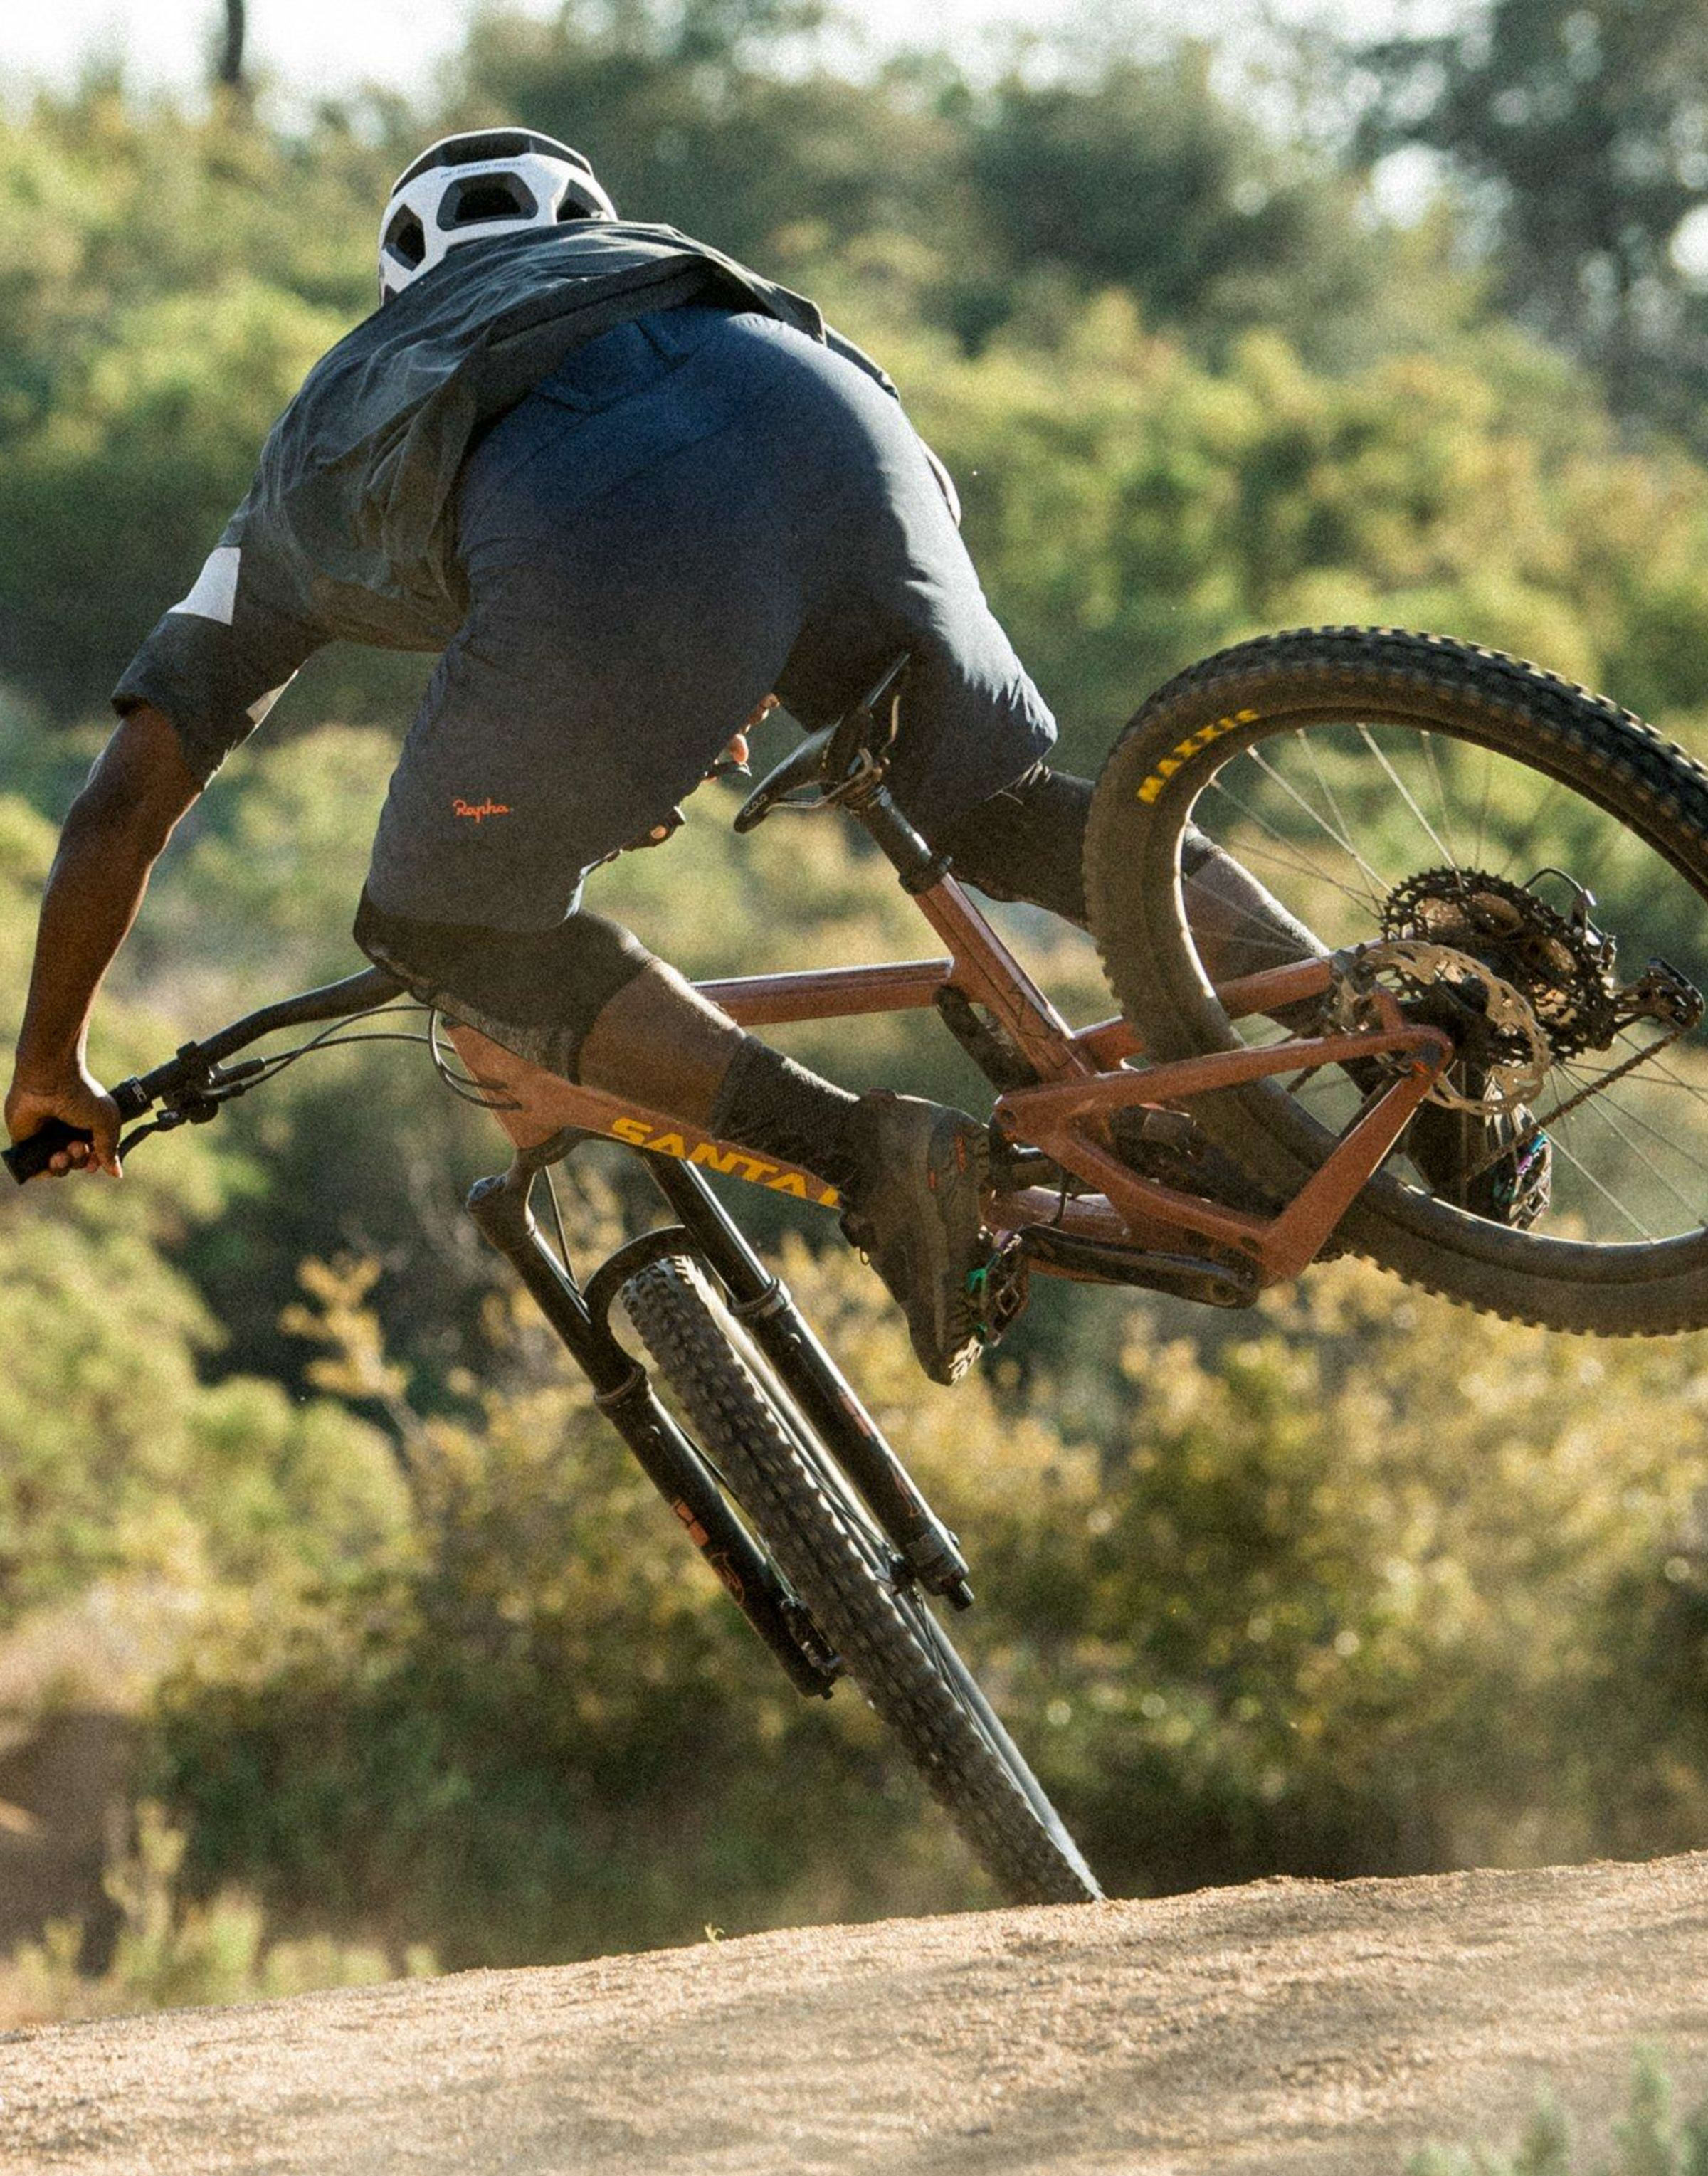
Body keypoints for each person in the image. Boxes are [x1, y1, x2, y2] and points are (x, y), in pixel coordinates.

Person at [0, 127, 1416, 1383]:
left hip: (595, 524)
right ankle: (1396, 1029)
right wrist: (704, 666)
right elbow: (822, 475)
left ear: (402, 295)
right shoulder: (666, 268)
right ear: (576, 225)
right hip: (839, 426)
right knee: (1000, 809)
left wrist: (52, 1060)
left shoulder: (352, 406)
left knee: (441, 921)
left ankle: (879, 1166)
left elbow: (129, 796)